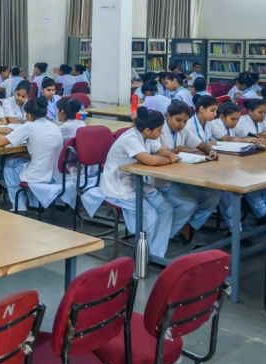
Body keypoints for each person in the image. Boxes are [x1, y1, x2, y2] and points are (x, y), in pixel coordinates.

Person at [94, 108, 180, 258]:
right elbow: (151, 160)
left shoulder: (146, 136)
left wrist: (167, 155)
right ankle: (143, 256)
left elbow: (163, 150)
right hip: (119, 188)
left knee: (166, 209)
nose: (161, 133)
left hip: (137, 183)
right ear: (147, 130)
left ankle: (156, 254)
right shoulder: (130, 138)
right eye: (159, 130)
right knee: (150, 216)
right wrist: (169, 159)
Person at [155, 101, 221, 245]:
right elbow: (153, 155)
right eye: (178, 120)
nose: (181, 125)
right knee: (189, 204)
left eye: (185, 121)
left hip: (180, 177)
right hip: (160, 181)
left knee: (213, 196)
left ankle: (188, 225)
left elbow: (202, 145)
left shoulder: (183, 131)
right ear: (168, 116)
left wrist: (210, 151)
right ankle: (161, 238)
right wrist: (177, 149)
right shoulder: (158, 130)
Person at [0, 96, 68, 212]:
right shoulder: (55, 127)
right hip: (54, 175)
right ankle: (35, 203)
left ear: (29, 115)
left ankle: (19, 206)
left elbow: (1, 143)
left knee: (9, 166)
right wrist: (22, 155)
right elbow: (44, 152)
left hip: (37, 175)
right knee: (22, 161)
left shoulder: (29, 126)